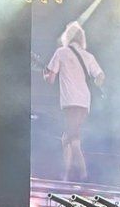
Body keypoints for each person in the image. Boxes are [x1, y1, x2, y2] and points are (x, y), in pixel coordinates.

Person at [43, 19, 105, 184]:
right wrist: (93, 85)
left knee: (73, 140)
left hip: (69, 101)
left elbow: (50, 79)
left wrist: (44, 74)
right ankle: (67, 174)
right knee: (68, 137)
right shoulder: (88, 56)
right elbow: (100, 76)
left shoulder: (61, 52)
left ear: (67, 37)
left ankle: (83, 175)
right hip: (84, 102)